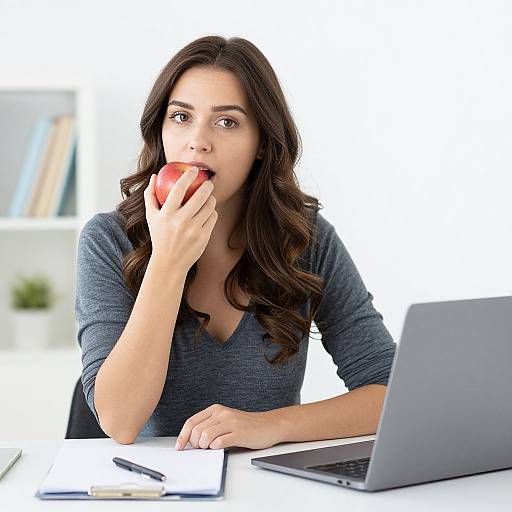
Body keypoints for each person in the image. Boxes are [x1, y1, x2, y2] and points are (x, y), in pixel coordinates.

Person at [76, 35, 396, 449]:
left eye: (226, 121)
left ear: (261, 143)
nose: (198, 141)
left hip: (271, 490)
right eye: (180, 117)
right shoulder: (108, 240)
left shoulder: (306, 238)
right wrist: (168, 263)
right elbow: (120, 421)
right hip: (157, 490)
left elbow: (390, 391)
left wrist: (273, 425)